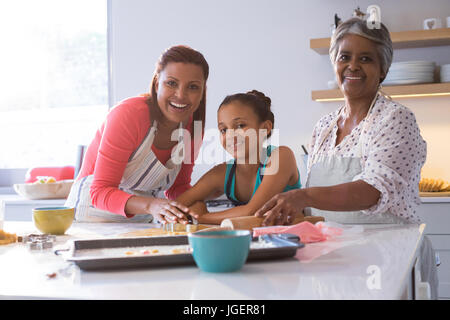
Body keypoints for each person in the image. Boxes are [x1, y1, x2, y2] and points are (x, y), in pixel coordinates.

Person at [255, 17, 438, 299]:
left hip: (391, 260)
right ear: (334, 63)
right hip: (335, 261)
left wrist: (303, 196)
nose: (352, 66)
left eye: (365, 58)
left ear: (382, 70)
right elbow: (320, 210)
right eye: (345, 57)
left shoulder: (395, 118)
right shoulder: (324, 127)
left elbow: (371, 191)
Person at [65, 45, 208, 224]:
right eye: (171, 83)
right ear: (157, 84)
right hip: (92, 217)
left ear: (202, 92)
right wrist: (151, 206)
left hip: (143, 219)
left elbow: (178, 187)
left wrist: (197, 209)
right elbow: (100, 191)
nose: (181, 95)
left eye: (193, 87)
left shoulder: (193, 127)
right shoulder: (128, 115)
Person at [176, 90, 301, 225]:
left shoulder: (281, 156)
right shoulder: (223, 173)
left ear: (265, 128)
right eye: (224, 130)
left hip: (291, 240)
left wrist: (200, 217)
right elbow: (178, 205)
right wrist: (195, 208)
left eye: (240, 125)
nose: (230, 135)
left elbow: (252, 211)